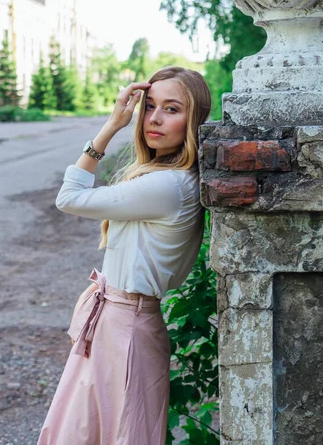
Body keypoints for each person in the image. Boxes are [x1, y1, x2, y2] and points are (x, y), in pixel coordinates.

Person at [37, 66, 211, 445]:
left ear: (193, 119)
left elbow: (68, 198)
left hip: (126, 328)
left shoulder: (168, 185)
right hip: (115, 320)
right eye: (149, 106)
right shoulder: (167, 177)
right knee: (84, 431)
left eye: (171, 109)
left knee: (115, 434)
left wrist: (110, 127)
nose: (154, 118)